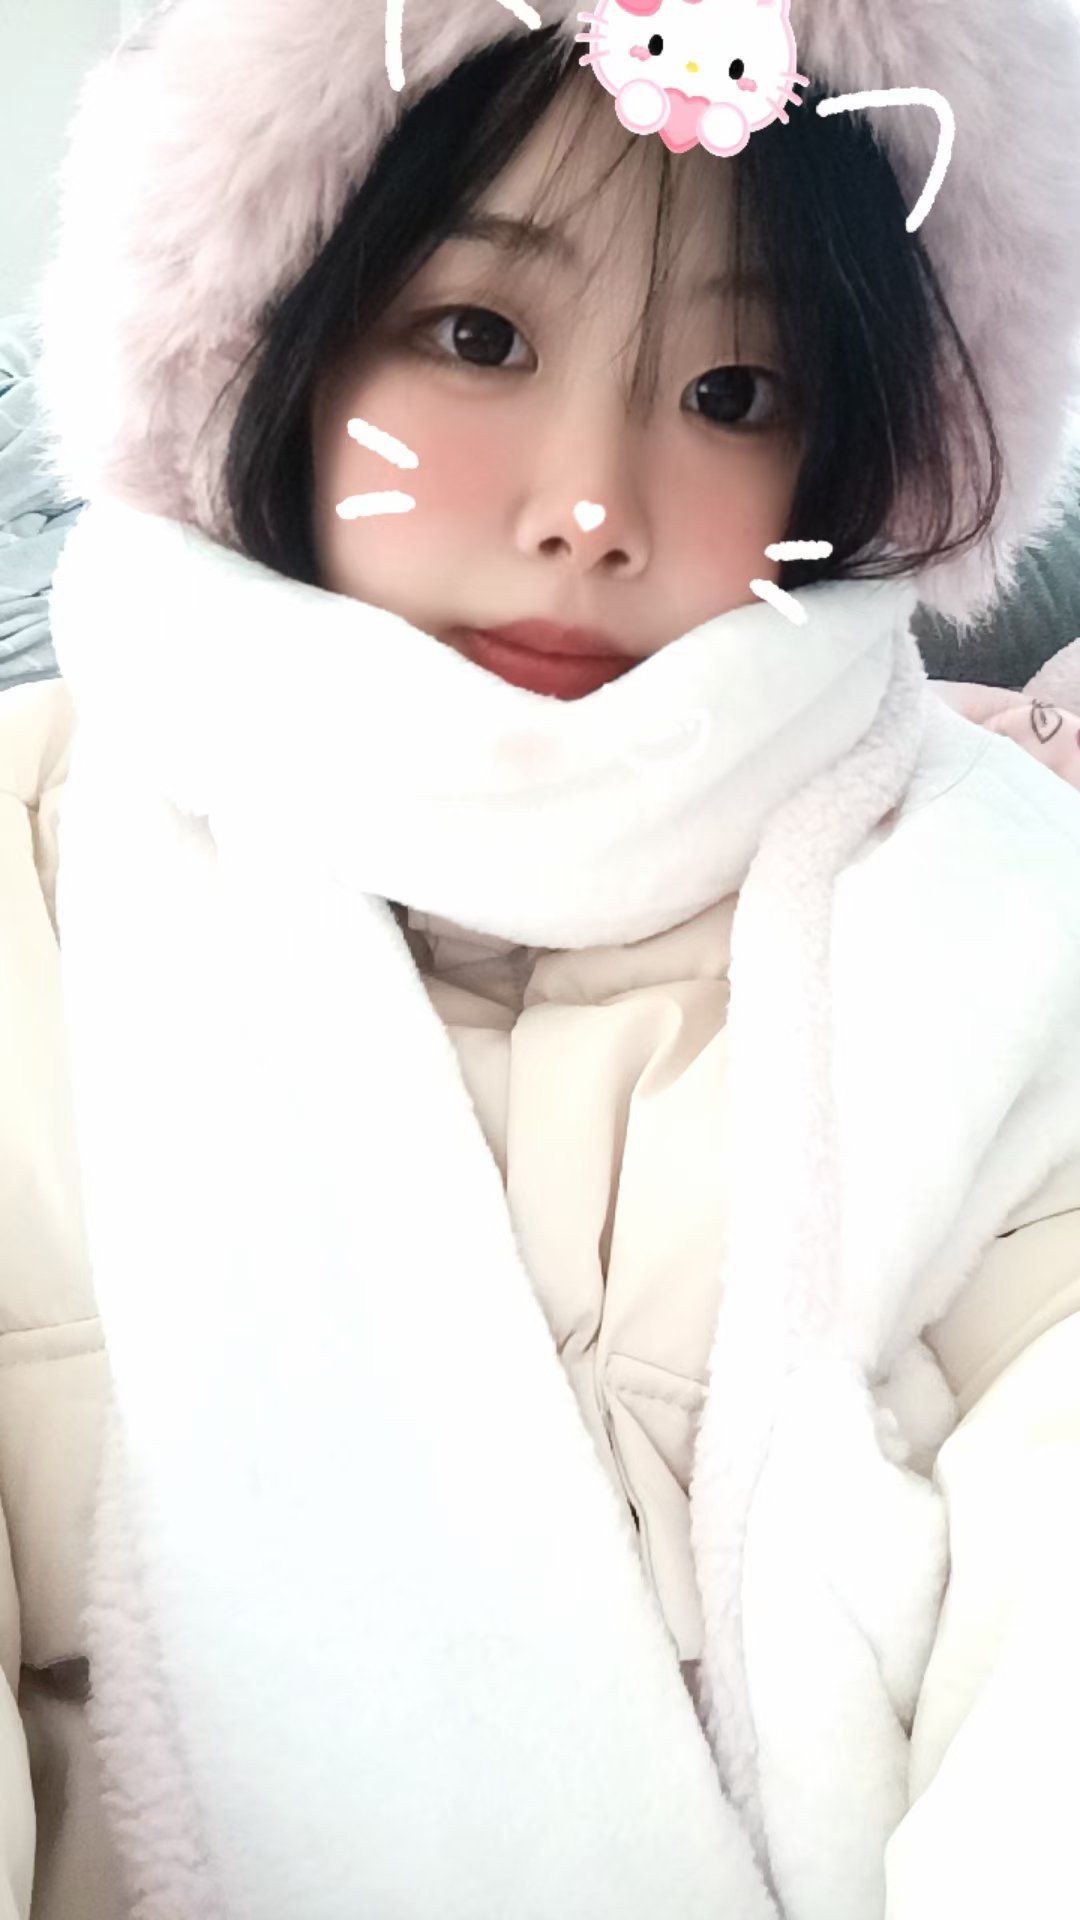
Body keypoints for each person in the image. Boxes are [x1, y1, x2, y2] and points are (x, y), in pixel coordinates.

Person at [4, 2, 1080, 1915]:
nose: (592, 508)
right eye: (478, 338)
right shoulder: (33, 871)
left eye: (735, 392)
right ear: (266, 332)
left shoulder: (998, 926)